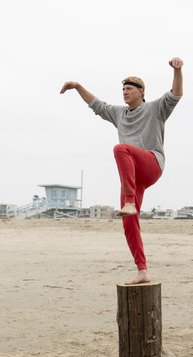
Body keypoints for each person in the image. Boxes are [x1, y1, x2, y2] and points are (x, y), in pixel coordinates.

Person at [60, 58, 183, 285]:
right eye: (123, 89)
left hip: (152, 164)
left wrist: (178, 70)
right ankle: (142, 270)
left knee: (120, 148)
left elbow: (176, 94)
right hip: (133, 177)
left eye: (129, 89)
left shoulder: (155, 109)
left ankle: (128, 202)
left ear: (141, 92)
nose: (125, 92)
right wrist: (77, 87)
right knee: (129, 222)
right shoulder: (119, 114)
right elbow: (97, 104)